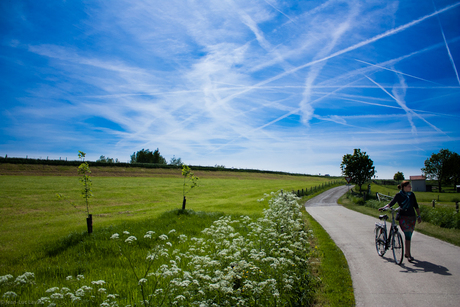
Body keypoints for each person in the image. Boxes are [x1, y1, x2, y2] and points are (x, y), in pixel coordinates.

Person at [379, 181, 421, 262]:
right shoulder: (398, 195)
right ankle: (409, 255)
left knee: (409, 236)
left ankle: (407, 253)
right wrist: (384, 207)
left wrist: (419, 215)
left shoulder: (412, 195)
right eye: (409, 186)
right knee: (407, 234)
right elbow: (391, 204)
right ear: (404, 187)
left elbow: (416, 205)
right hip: (403, 217)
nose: (410, 187)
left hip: (412, 217)